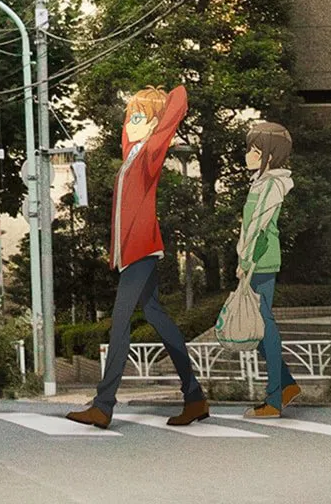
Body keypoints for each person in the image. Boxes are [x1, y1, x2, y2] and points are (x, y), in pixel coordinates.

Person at [68, 85, 209, 430]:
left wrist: (160, 109)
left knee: (120, 323)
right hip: (132, 252)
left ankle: (103, 405)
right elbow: (128, 137)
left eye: (138, 118)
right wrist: (137, 110)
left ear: (154, 125)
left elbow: (178, 99)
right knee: (157, 317)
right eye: (129, 117)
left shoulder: (148, 156)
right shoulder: (131, 157)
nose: (130, 123)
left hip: (142, 250)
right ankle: (194, 397)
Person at [238, 121, 299, 418]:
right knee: (260, 327)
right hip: (254, 260)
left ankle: (274, 399)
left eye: (254, 150)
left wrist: (246, 262)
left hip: (260, 261)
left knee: (263, 327)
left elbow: (259, 227)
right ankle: (286, 386)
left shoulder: (273, 184)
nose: (248, 155)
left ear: (270, 155)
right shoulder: (261, 182)